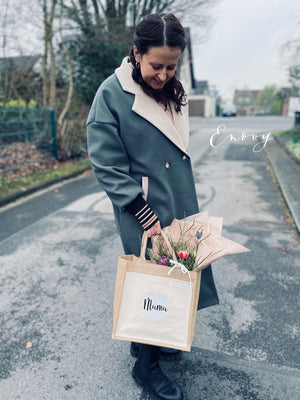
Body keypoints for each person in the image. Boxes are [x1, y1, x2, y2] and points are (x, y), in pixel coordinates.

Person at [87, 13, 219, 400]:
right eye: (155, 65)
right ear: (136, 53)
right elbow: (106, 165)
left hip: (177, 198)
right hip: (143, 209)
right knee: (153, 284)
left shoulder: (170, 90)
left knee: (173, 278)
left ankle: (145, 344)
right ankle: (146, 366)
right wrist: (144, 214)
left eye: (171, 66)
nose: (163, 74)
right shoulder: (110, 94)